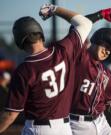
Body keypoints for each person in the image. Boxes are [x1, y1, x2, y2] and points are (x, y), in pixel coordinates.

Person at [0, 3, 93, 135]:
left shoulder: (24, 70)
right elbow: (85, 23)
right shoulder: (63, 50)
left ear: (19, 40)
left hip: (39, 129)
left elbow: (10, 115)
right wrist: (53, 9)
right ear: (40, 33)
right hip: (65, 128)